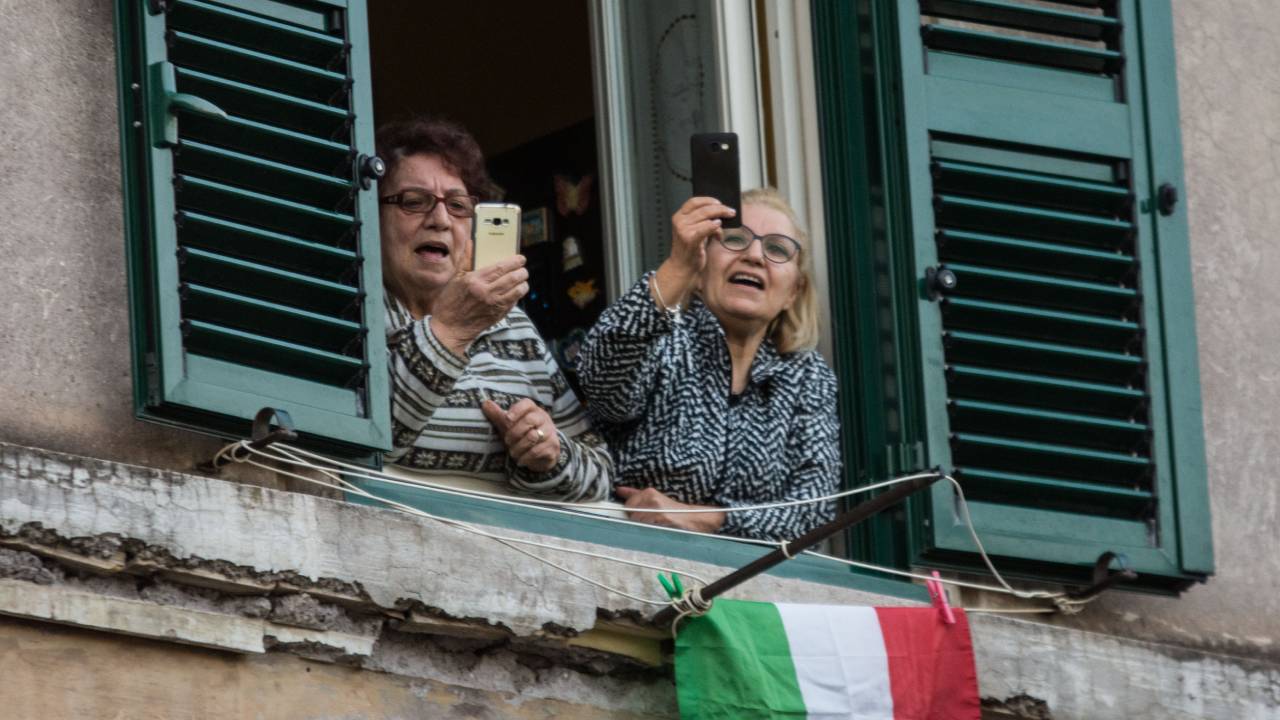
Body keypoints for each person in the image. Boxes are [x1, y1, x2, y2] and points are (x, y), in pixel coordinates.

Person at [576, 188, 839, 540]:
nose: (755, 255)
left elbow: (814, 512)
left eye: (777, 249)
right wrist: (676, 268)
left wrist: (707, 518)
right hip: (624, 553)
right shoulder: (660, 339)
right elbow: (600, 379)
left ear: (794, 291)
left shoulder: (807, 376)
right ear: (700, 270)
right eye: (734, 239)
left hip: (744, 582)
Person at [377, 116, 611, 502]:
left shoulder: (511, 324)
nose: (439, 220)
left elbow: (600, 473)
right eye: (413, 202)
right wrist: (450, 330)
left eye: (457, 205)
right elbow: (372, 440)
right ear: (373, 215)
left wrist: (547, 456)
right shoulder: (352, 316)